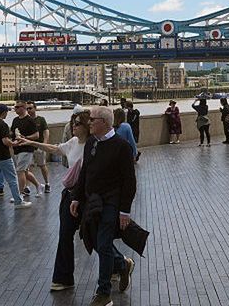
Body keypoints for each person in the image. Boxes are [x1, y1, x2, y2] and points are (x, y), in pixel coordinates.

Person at [16, 109, 91, 292]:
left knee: (94, 236)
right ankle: (63, 278)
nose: (73, 125)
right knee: (65, 234)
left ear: (88, 126)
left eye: (78, 123)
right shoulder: (73, 142)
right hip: (71, 194)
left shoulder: (94, 145)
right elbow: (54, 148)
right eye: (73, 121)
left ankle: (119, 265)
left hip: (88, 196)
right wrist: (31, 142)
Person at [70, 106, 138, 306]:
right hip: (92, 203)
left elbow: (129, 181)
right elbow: (85, 173)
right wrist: (76, 197)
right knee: (97, 242)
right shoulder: (91, 142)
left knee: (103, 242)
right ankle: (122, 264)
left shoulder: (121, 147)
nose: (88, 123)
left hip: (111, 203)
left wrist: (124, 211)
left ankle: (103, 294)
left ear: (104, 123)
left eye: (92, 120)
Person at [0, 104, 31, 211]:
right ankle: (18, 202)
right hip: (3, 157)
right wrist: (14, 143)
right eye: (7, 112)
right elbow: (5, 141)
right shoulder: (3, 125)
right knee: (12, 179)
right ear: (4, 112)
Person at [10, 101, 41, 198]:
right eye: (15, 107)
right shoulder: (15, 120)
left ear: (23, 108)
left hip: (27, 149)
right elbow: (11, 132)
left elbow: (37, 135)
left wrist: (26, 137)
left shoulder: (30, 120)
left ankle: (20, 194)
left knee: (20, 171)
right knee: (25, 171)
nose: (15, 109)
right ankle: (38, 185)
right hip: (17, 149)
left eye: (17, 107)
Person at [29, 102, 51, 193]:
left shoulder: (41, 119)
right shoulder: (26, 120)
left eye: (30, 108)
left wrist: (44, 144)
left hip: (39, 147)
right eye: (27, 109)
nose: (29, 110)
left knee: (42, 166)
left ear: (35, 108)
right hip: (29, 148)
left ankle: (47, 184)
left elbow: (46, 132)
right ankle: (28, 187)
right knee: (28, 168)